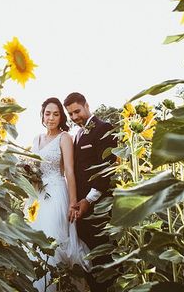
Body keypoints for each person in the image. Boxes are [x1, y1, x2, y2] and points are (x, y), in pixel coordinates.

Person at [28, 97, 90, 292]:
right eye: (48, 113)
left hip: (56, 194)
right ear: (42, 115)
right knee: (33, 242)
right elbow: (31, 168)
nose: (51, 118)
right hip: (37, 196)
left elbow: (69, 171)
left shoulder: (65, 137)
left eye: (56, 114)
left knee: (52, 241)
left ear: (61, 117)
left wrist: (73, 202)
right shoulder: (36, 139)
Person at [64, 92, 118, 292]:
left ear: (87, 105)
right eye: (70, 114)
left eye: (77, 111)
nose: (75, 117)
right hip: (82, 210)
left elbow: (107, 170)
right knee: (90, 262)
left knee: (104, 260)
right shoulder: (76, 134)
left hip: (99, 209)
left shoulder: (104, 128)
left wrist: (88, 200)